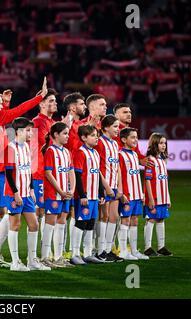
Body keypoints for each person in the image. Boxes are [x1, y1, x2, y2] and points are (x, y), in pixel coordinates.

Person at [5, 117, 50, 271]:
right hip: (14, 194)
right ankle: (15, 262)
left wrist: (31, 188)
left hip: (26, 193)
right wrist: (16, 193)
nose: (31, 133)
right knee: (15, 225)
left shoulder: (26, 147)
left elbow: (28, 170)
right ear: (18, 131)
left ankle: (32, 260)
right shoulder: (10, 148)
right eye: (28, 130)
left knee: (34, 224)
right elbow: (9, 174)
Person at [40, 122, 75, 268]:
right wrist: (60, 191)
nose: (67, 136)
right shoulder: (50, 151)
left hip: (65, 194)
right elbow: (48, 173)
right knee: (50, 223)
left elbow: (70, 172)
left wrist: (72, 190)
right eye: (65, 133)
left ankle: (58, 256)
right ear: (55, 135)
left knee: (62, 223)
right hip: (53, 194)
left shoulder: (67, 152)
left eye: (68, 133)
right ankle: (44, 257)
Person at [70, 125, 105, 265]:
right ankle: (75, 254)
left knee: (90, 223)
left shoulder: (95, 153)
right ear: (84, 138)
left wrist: (101, 192)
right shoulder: (80, 152)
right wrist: (82, 194)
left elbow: (97, 175)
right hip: (84, 196)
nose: (96, 137)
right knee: (80, 223)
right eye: (92, 135)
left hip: (94, 196)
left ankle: (88, 253)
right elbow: (78, 175)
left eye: (97, 135)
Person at [31, 87, 58, 252]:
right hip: (38, 173)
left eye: (55, 101)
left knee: (49, 212)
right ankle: (37, 254)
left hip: (51, 174)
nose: (55, 104)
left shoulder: (53, 123)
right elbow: (35, 149)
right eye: (51, 101)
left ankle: (45, 253)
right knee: (38, 212)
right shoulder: (37, 122)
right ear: (41, 103)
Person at [94, 115, 124, 262]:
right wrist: (106, 186)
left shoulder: (114, 144)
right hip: (103, 186)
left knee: (114, 217)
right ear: (106, 127)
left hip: (113, 187)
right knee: (103, 217)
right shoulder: (100, 143)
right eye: (115, 126)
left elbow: (117, 167)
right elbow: (97, 167)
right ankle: (99, 250)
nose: (118, 129)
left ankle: (107, 249)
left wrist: (119, 186)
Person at [117, 127, 149, 261]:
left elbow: (135, 175)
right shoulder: (120, 154)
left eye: (136, 137)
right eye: (132, 137)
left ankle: (134, 250)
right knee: (125, 220)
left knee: (135, 220)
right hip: (127, 194)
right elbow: (120, 175)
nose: (135, 140)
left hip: (136, 194)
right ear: (124, 140)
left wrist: (141, 192)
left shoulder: (135, 155)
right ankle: (123, 250)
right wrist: (122, 193)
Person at [61, 92, 86, 257]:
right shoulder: (66, 125)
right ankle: (62, 251)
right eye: (81, 103)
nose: (84, 106)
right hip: (67, 172)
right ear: (72, 107)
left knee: (73, 212)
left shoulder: (80, 124)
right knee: (64, 213)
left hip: (77, 171)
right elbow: (70, 147)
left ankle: (71, 250)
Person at [143, 133, 173, 257]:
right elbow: (148, 180)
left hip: (163, 197)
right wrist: (150, 199)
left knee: (161, 219)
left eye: (165, 143)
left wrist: (168, 198)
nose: (164, 145)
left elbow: (164, 180)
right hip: (154, 197)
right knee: (151, 219)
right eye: (161, 143)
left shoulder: (162, 160)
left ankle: (161, 247)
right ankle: (147, 247)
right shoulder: (150, 160)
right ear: (154, 144)